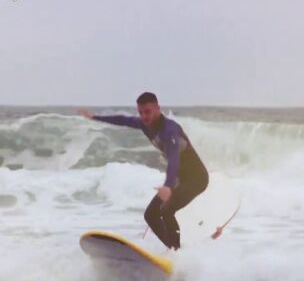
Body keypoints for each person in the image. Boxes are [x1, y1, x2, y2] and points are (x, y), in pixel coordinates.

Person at [77, 92, 208, 250]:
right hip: (179, 180)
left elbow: (174, 159)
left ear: (158, 108)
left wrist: (168, 185)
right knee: (151, 215)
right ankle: (173, 249)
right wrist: (94, 117)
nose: (144, 116)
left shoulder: (170, 131)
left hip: (196, 179)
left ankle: (176, 251)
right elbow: (123, 120)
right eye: (140, 112)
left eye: (148, 111)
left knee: (166, 210)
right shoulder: (145, 125)